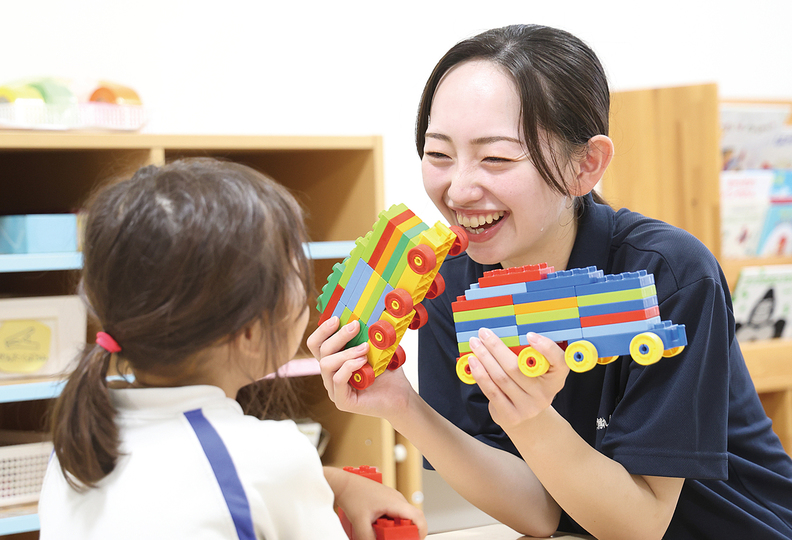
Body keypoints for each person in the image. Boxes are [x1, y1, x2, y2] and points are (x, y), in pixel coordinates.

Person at [309, 24, 792, 540]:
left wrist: (531, 420)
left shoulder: (667, 274)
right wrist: (401, 404)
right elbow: (542, 513)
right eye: (439, 154)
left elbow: (641, 524)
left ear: (586, 165)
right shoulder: (451, 280)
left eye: (495, 157)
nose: (459, 188)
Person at [39, 158, 427, 540]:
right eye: (294, 270)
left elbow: (186, 485)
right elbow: (252, 476)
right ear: (249, 329)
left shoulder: (76, 446)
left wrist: (337, 484)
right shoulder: (273, 456)